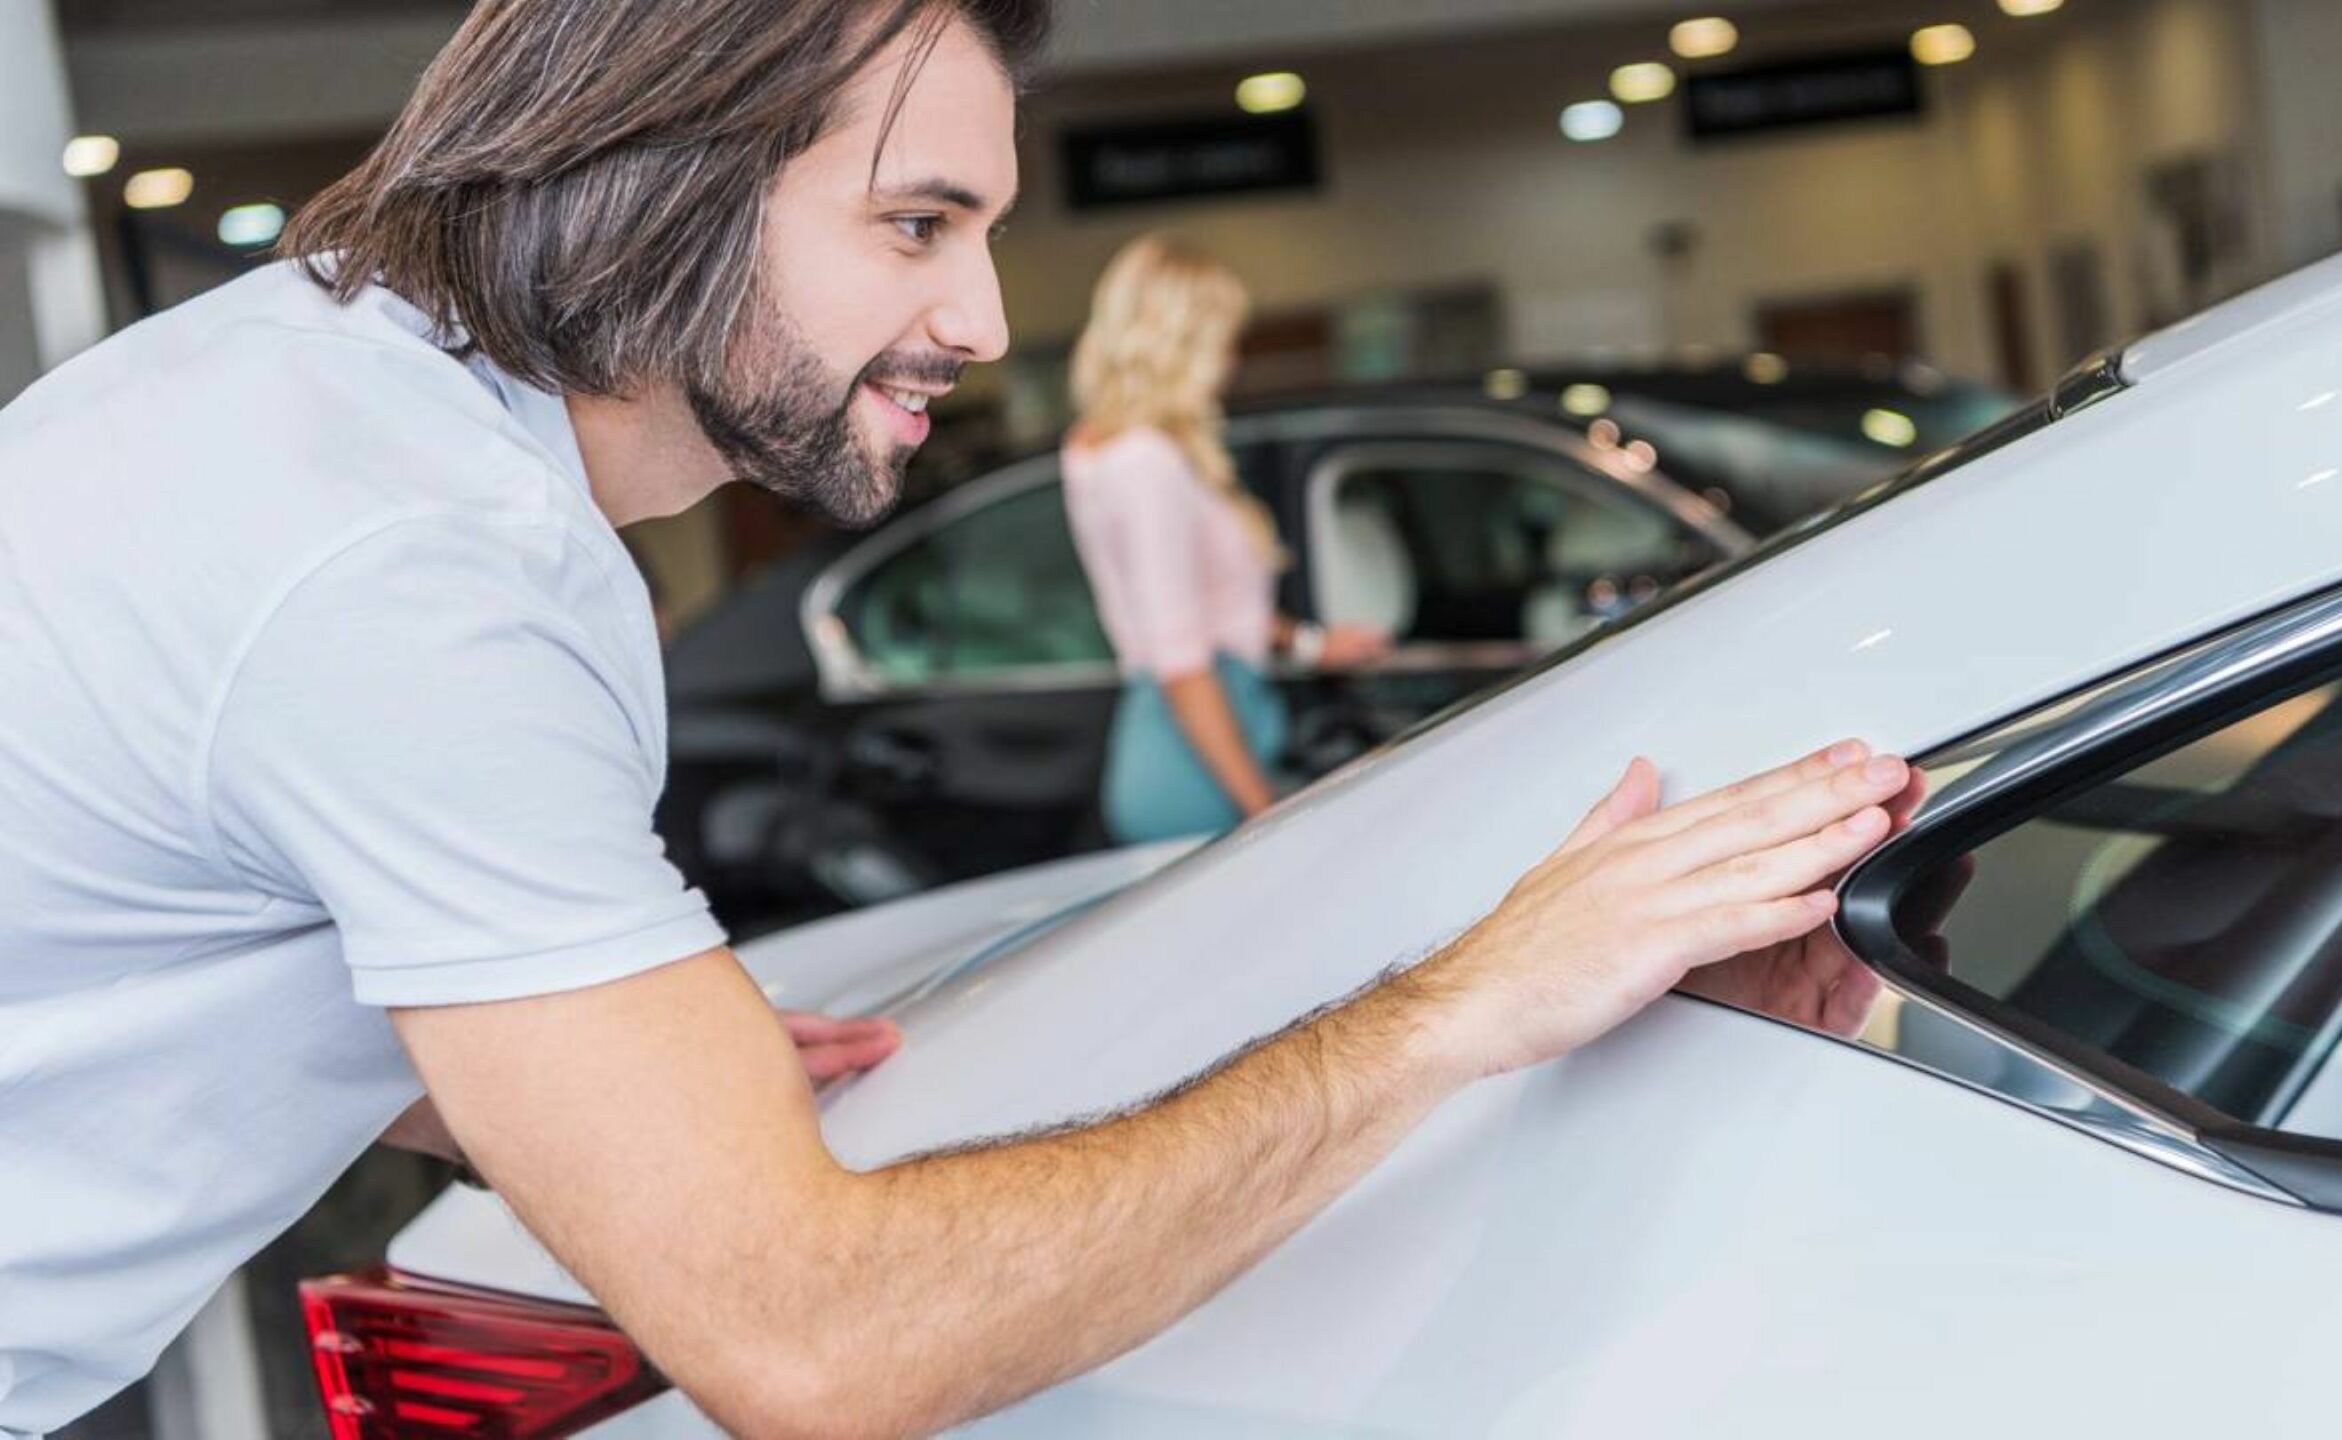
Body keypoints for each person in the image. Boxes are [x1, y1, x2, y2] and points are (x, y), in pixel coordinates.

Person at [0, 2, 1922, 1435]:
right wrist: (1472, 1005)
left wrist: (563, 1064)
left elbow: (132, 919)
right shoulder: (414, 572)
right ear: (657, 179)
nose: (988, 321)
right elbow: (815, 1351)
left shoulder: (299, 384)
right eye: (917, 224)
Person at [1062, 236, 1387, 841]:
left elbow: (1208, 608)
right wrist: (1262, 807)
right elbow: (1183, 661)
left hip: (1196, 733)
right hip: (1194, 754)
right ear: (1181, 341)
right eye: (1222, 339)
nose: (1231, 360)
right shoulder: (1144, 461)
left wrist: (1313, 646)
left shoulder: (1099, 446)